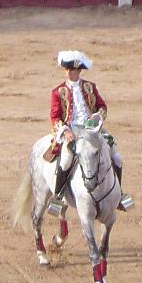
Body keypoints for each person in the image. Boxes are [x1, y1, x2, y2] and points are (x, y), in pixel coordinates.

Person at [47, 50, 129, 213]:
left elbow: (102, 107)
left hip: (93, 130)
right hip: (72, 131)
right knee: (64, 162)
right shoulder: (57, 92)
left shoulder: (90, 87)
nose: (69, 73)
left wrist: (98, 116)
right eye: (67, 69)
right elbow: (55, 117)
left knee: (117, 158)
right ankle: (58, 198)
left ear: (79, 70)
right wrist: (65, 131)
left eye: (72, 70)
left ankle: (118, 196)